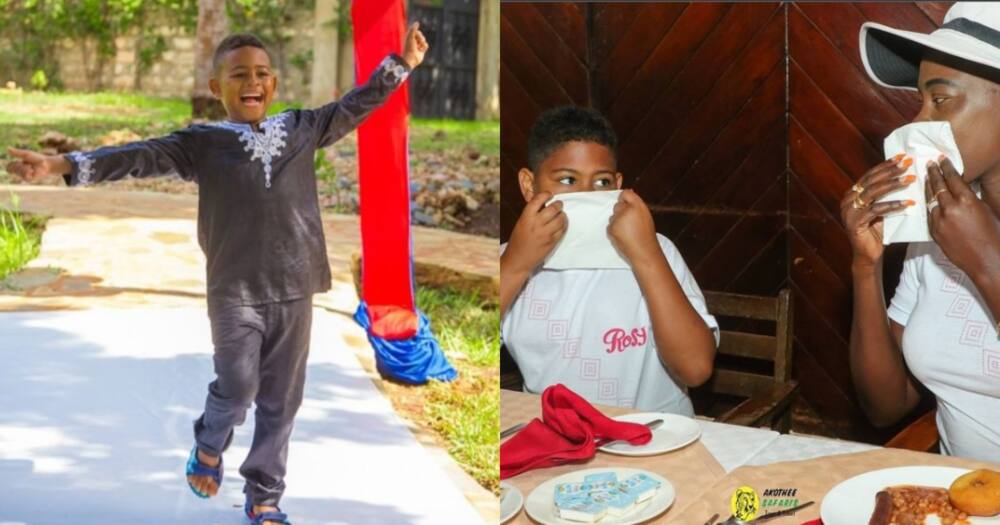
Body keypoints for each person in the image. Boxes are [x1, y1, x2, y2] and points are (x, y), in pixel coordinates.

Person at [6, 26, 429, 524]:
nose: (253, 82)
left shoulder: (302, 127)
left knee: (281, 401)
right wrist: (59, 163)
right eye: (239, 74)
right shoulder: (202, 143)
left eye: (262, 73)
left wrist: (401, 63)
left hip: (295, 288)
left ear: (273, 84)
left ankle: (265, 496)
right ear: (216, 88)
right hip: (235, 292)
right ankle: (210, 442)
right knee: (238, 386)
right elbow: (136, 157)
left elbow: (355, 105)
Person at [844, 2, 1000, 461]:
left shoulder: (960, 233)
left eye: (941, 99)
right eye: (920, 100)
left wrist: (988, 264)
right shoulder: (939, 226)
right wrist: (864, 266)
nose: (916, 121)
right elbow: (885, 406)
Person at [500, 106, 718, 414]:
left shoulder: (655, 250)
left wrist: (647, 256)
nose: (587, 194)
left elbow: (695, 369)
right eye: (567, 179)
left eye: (601, 182)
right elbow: (456, 354)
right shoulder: (507, 261)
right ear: (528, 185)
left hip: (656, 437)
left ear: (617, 186)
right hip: (556, 440)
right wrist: (516, 265)